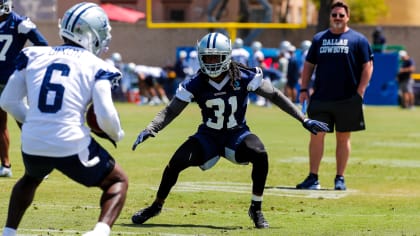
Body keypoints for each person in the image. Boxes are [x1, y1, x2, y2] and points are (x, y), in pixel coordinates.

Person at [130, 32, 329, 229]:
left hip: (236, 134)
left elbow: (275, 95)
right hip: (208, 136)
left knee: (260, 154)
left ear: (226, 56)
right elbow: (171, 110)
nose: (210, 62)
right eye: (206, 57)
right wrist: (152, 128)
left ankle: (256, 209)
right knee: (176, 162)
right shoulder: (196, 82)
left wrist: (303, 119)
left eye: (215, 57)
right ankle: (156, 206)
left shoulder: (243, 76)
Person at [0, 3, 127, 236]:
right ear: (92, 34)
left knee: (31, 177)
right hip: (70, 141)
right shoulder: (98, 66)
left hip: (33, 140)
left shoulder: (33, 54)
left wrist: (34, 121)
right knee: (117, 182)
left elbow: (8, 101)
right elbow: (106, 114)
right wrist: (116, 134)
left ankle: (8, 231)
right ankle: (99, 231)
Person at [296, 1, 374, 191]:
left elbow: (367, 67)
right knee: (316, 136)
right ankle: (313, 177)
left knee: (343, 138)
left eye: (341, 15)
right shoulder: (319, 39)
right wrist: (304, 89)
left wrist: (361, 91)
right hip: (321, 97)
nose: (337, 18)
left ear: (347, 17)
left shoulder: (359, 40)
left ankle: (340, 178)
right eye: (334, 15)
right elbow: (308, 65)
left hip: (347, 98)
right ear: (330, 17)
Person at [0, 0, 48, 177]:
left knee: (26, 125)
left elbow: (42, 45)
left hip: (14, 82)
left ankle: (41, 165)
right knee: (0, 124)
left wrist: (27, 63)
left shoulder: (19, 22)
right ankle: (5, 166)